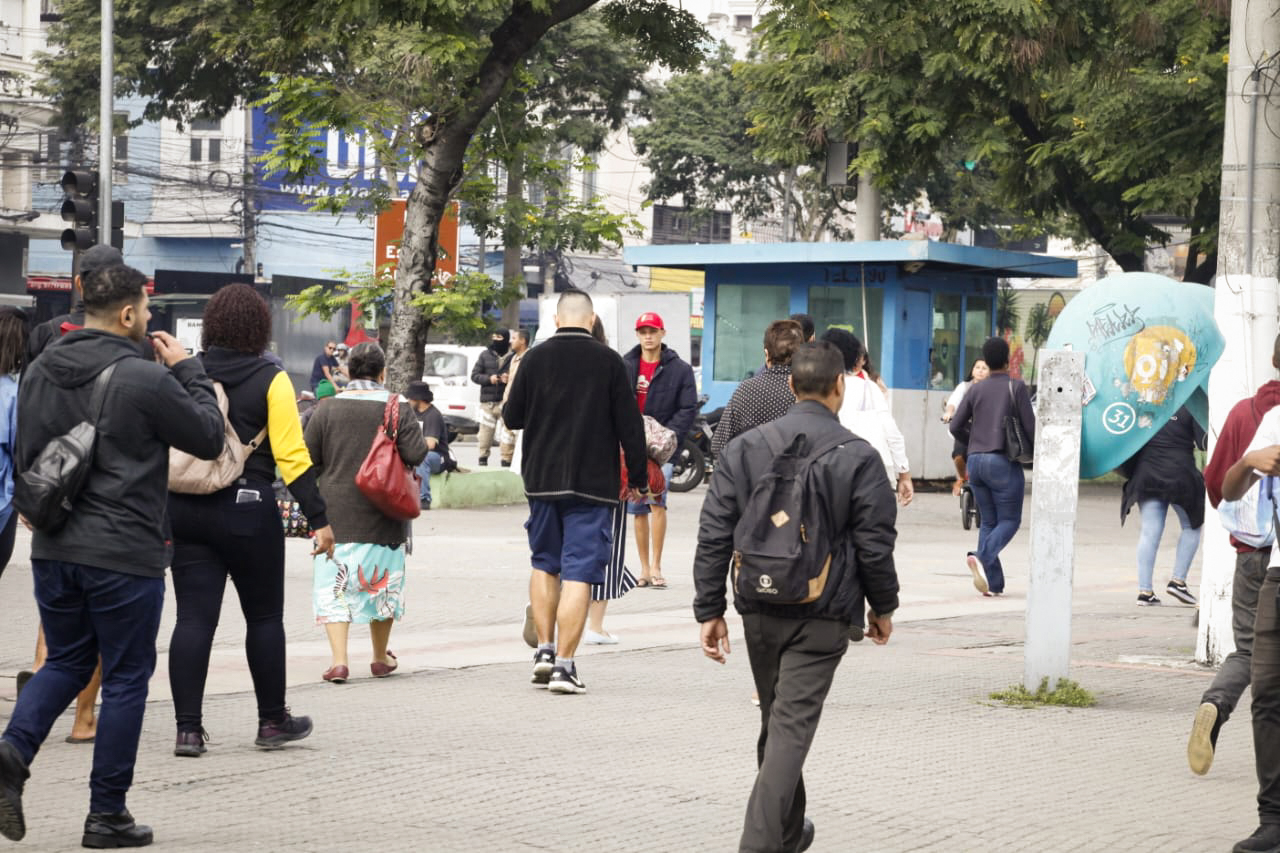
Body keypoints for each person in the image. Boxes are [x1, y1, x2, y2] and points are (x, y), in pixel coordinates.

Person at [0, 263, 225, 847]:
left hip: (54, 546)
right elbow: (207, 436)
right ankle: (106, 816)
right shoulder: (144, 378)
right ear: (127, 313)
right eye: (146, 310)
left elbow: (27, 455)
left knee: (66, 661)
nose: (149, 319)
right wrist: (188, 368)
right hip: (124, 551)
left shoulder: (40, 370)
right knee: (125, 678)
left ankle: (12, 752)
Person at [693, 341, 899, 853]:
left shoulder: (744, 448)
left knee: (778, 721)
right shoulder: (859, 457)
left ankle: (787, 832)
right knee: (788, 728)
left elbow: (714, 531)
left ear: (790, 385)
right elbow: (875, 544)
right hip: (824, 613)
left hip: (759, 608)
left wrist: (710, 608)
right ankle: (759, 844)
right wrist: (883, 607)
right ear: (840, 386)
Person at [167, 284, 335, 759]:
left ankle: (188, 731)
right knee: (263, 618)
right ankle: (272, 720)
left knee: (193, 619)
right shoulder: (271, 378)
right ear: (260, 328)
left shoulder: (187, 373)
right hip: (248, 508)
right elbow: (292, 457)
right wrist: (319, 519)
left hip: (186, 507)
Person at [503, 290, 647, 694]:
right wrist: (638, 479)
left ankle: (544, 652)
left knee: (544, 564)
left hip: (542, 480)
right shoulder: (610, 362)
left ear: (555, 319)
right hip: (592, 484)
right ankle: (565, 668)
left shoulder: (534, 358)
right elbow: (630, 427)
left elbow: (512, 418)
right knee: (580, 572)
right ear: (591, 318)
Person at [18, 245, 124, 744]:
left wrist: (28, 488)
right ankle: (84, 718)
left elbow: (27, 415)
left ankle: (42, 683)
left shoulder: (46, 335)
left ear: (79, 283)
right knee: (101, 616)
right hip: (109, 495)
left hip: (55, 485)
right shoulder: (131, 341)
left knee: (56, 606)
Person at [305, 342, 427, 684]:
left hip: (335, 516)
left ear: (348, 371)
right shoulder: (396, 406)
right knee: (382, 586)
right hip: (385, 515)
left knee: (334, 589)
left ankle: (339, 662)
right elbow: (416, 454)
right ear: (382, 373)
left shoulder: (327, 408)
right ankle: (379, 657)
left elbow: (309, 458)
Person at [1188, 339, 1280, 777]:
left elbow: (1215, 482)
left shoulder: (1245, 412)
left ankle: (1215, 703)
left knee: (1248, 649)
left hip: (1251, 553)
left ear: (1274, 359)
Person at [1221, 402, 1280, 853]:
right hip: (1277, 576)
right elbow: (1229, 489)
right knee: (1267, 696)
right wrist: (1248, 462)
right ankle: (1273, 820)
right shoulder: (1276, 418)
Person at [948, 336, 1034, 596]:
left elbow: (955, 425)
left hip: (975, 462)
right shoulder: (1016, 387)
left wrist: (973, 441)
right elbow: (1030, 427)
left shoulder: (975, 390)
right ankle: (981, 556)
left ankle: (993, 584)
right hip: (1002, 462)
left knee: (988, 522)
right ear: (1007, 360)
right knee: (1009, 520)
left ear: (986, 360)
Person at [623, 312, 697, 589]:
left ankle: (656, 565)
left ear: (662, 333)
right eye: (643, 332)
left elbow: (687, 408)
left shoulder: (680, 369)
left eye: (652, 331)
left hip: (663, 450)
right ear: (637, 335)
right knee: (637, 505)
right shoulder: (626, 365)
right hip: (633, 448)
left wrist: (665, 437)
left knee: (657, 501)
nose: (648, 336)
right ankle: (643, 568)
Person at [1119, 405, 1204, 606]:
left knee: (1150, 532)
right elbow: (1204, 442)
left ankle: (1145, 592)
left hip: (1147, 472)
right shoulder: (1190, 405)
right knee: (1192, 526)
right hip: (1180, 474)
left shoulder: (1145, 404)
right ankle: (1178, 581)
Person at [821, 327, 913, 506]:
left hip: (831, 475)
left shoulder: (816, 389)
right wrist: (904, 474)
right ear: (854, 357)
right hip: (872, 474)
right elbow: (891, 431)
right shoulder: (869, 388)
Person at [711, 320, 805, 459]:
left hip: (751, 470)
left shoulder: (746, 390)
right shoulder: (808, 392)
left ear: (767, 354)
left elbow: (718, 446)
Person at [943, 359, 990, 495]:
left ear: (990, 372)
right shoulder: (964, 386)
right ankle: (961, 478)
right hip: (966, 427)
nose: (980, 370)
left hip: (986, 429)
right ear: (972, 371)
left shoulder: (992, 388)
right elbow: (953, 402)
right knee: (958, 455)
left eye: (984, 368)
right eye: (977, 367)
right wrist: (949, 412)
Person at [472, 329, 514, 467]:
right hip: (488, 402)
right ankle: (482, 460)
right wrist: (489, 379)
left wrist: (509, 378)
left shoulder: (513, 356)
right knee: (485, 434)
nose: (495, 340)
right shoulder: (485, 355)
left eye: (499, 337)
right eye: (494, 337)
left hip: (506, 401)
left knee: (507, 435)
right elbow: (475, 375)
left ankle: (506, 461)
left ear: (506, 339)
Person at [407, 380, 448, 510]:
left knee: (423, 457)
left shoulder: (432, 415)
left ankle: (424, 498)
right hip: (417, 451)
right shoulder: (412, 413)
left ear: (418, 399)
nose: (408, 401)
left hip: (438, 457)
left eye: (411, 398)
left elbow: (430, 445)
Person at [500, 330, 530, 465]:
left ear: (523, 341)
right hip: (508, 406)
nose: (510, 341)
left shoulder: (529, 358)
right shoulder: (513, 358)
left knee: (520, 449)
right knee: (506, 446)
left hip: (520, 409)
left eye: (514, 338)